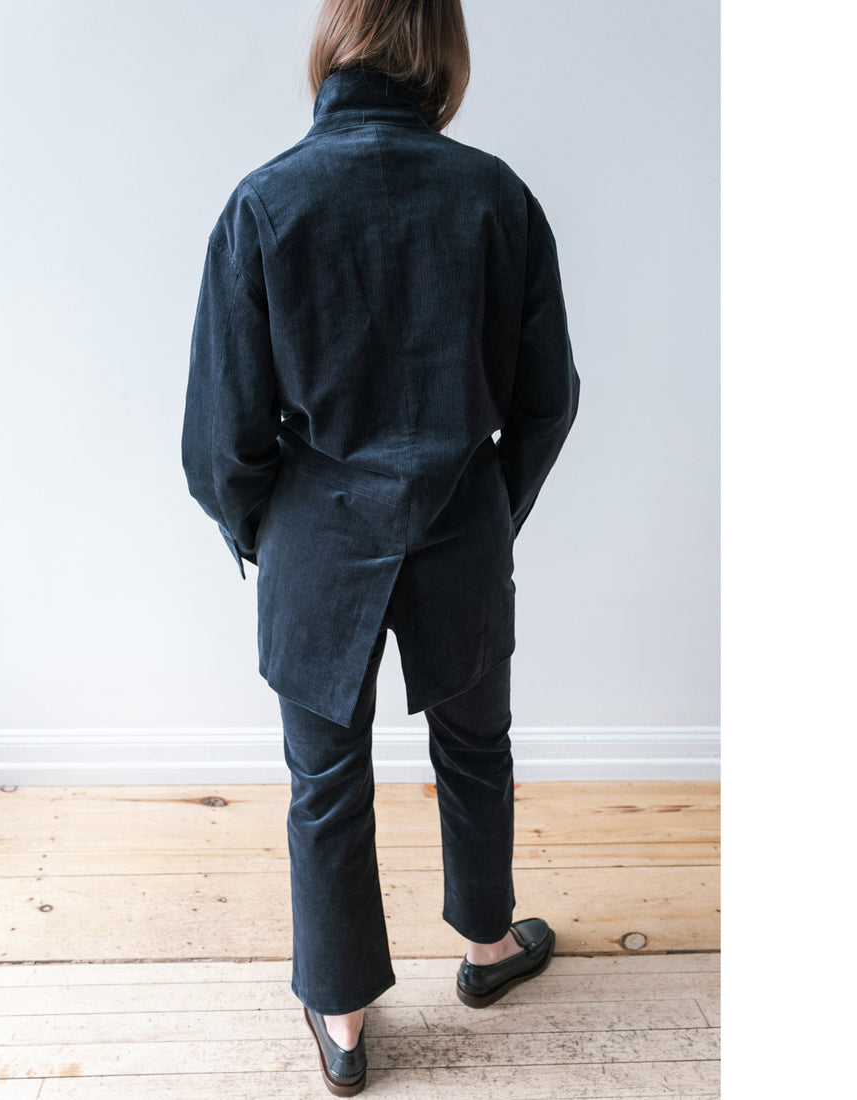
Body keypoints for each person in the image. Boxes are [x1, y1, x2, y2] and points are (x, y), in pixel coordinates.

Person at [182, 0, 580, 1093]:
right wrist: (489, 505)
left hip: (318, 532)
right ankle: (487, 948)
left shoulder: (265, 202)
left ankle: (344, 1020)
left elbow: (220, 435)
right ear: (442, 51)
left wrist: (261, 528)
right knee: (476, 746)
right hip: (462, 522)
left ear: (334, 42)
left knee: (323, 779)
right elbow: (547, 399)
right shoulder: (496, 197)